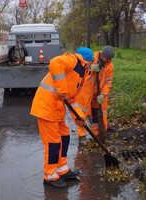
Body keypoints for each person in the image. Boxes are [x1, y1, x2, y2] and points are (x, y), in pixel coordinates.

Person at [30, 47, 94, 188]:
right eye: (91, 62)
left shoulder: (82, 74)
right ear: (86, 61)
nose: (92, 66)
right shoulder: (73, 60)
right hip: (46, 108)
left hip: (57, 111)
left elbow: (72, 100)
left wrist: (79, 118)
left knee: (64, 137)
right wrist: (62, 89)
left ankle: (62, 169)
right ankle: (50, 176)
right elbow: (55, 62)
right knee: (53, 144)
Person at [76, 46, 115, 143]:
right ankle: (82, 135)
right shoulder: (91, 57)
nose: (107, 60)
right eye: (107, 58)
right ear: (102, 55)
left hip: (99, 93)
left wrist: (103, 94)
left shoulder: (110, 66)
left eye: (109, 59)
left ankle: (97, 134)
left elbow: (108, 82)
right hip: (86, 91)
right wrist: (90, 67)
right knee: (82, 113)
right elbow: (80, 66)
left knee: (98, 114)